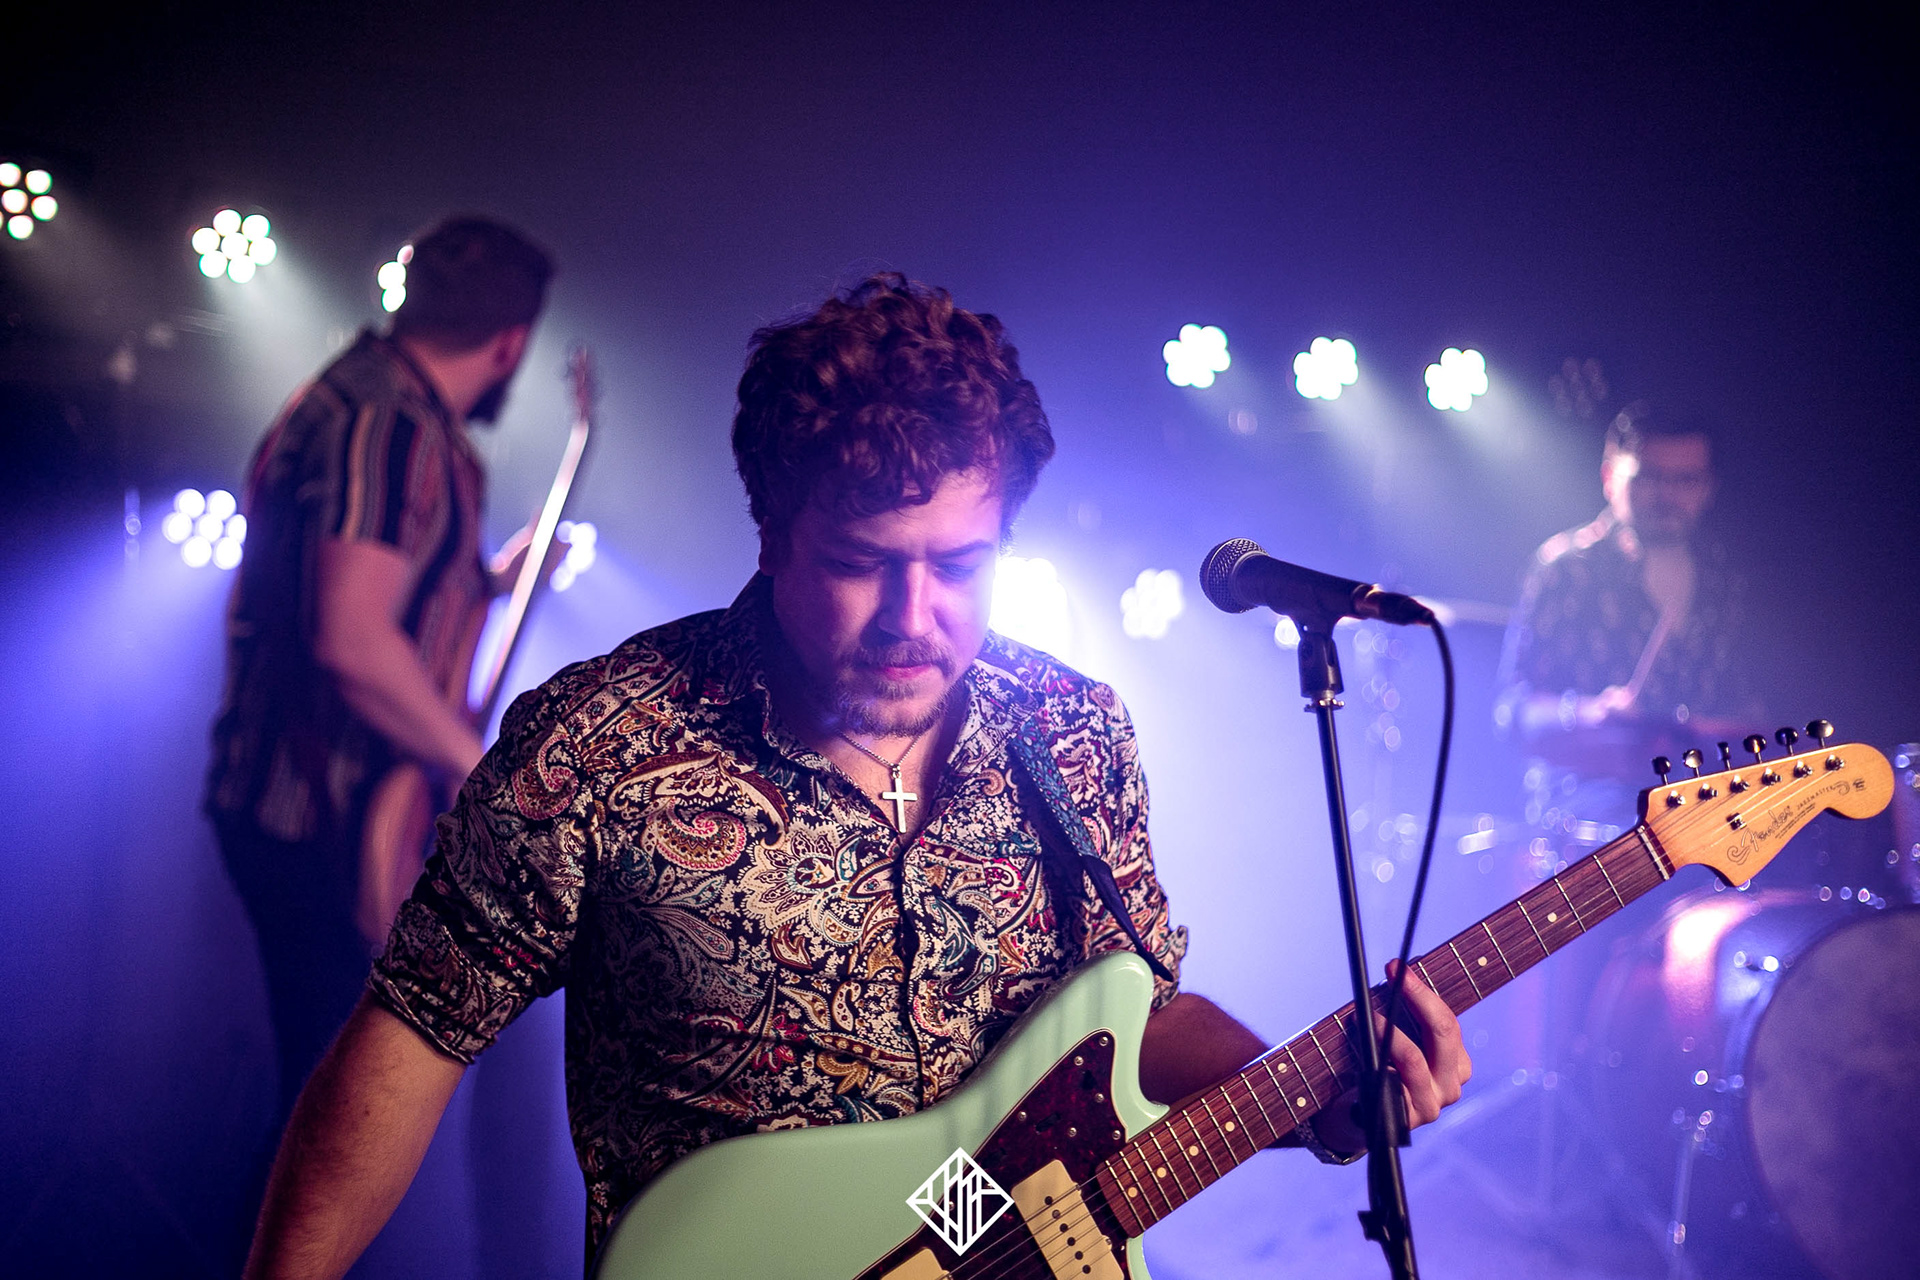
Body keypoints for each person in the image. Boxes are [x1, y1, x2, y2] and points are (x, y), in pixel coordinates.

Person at [241, 275, 1470, 1278]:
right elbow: (409, 1037)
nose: (913, 616)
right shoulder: (603, 742)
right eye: (862, 561)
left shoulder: (1074, 728)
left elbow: (1137, 1020)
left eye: (961, 565)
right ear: (772, 532)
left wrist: (1320, 1097)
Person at [205, 214, 555, 1143]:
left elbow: (391, 605)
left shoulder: (386, 406)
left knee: (332, 1104)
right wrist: (478, 771)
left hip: (324, 804)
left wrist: (494, 581)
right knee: (329, 1120)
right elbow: (354, 641)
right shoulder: (387, 422)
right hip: (313, 809)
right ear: (510, 343)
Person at [1496, 400, 1752, 857]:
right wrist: (1589, 714)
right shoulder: (1567, 569)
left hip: (1703, 798)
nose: (1667, 496)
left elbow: (1749, 707)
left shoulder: (1724, 576)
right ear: (1609, 477)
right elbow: (1513, 712)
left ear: (1708, 487)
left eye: (1685, 480)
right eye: (1649, 477)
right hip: (1587, 807)